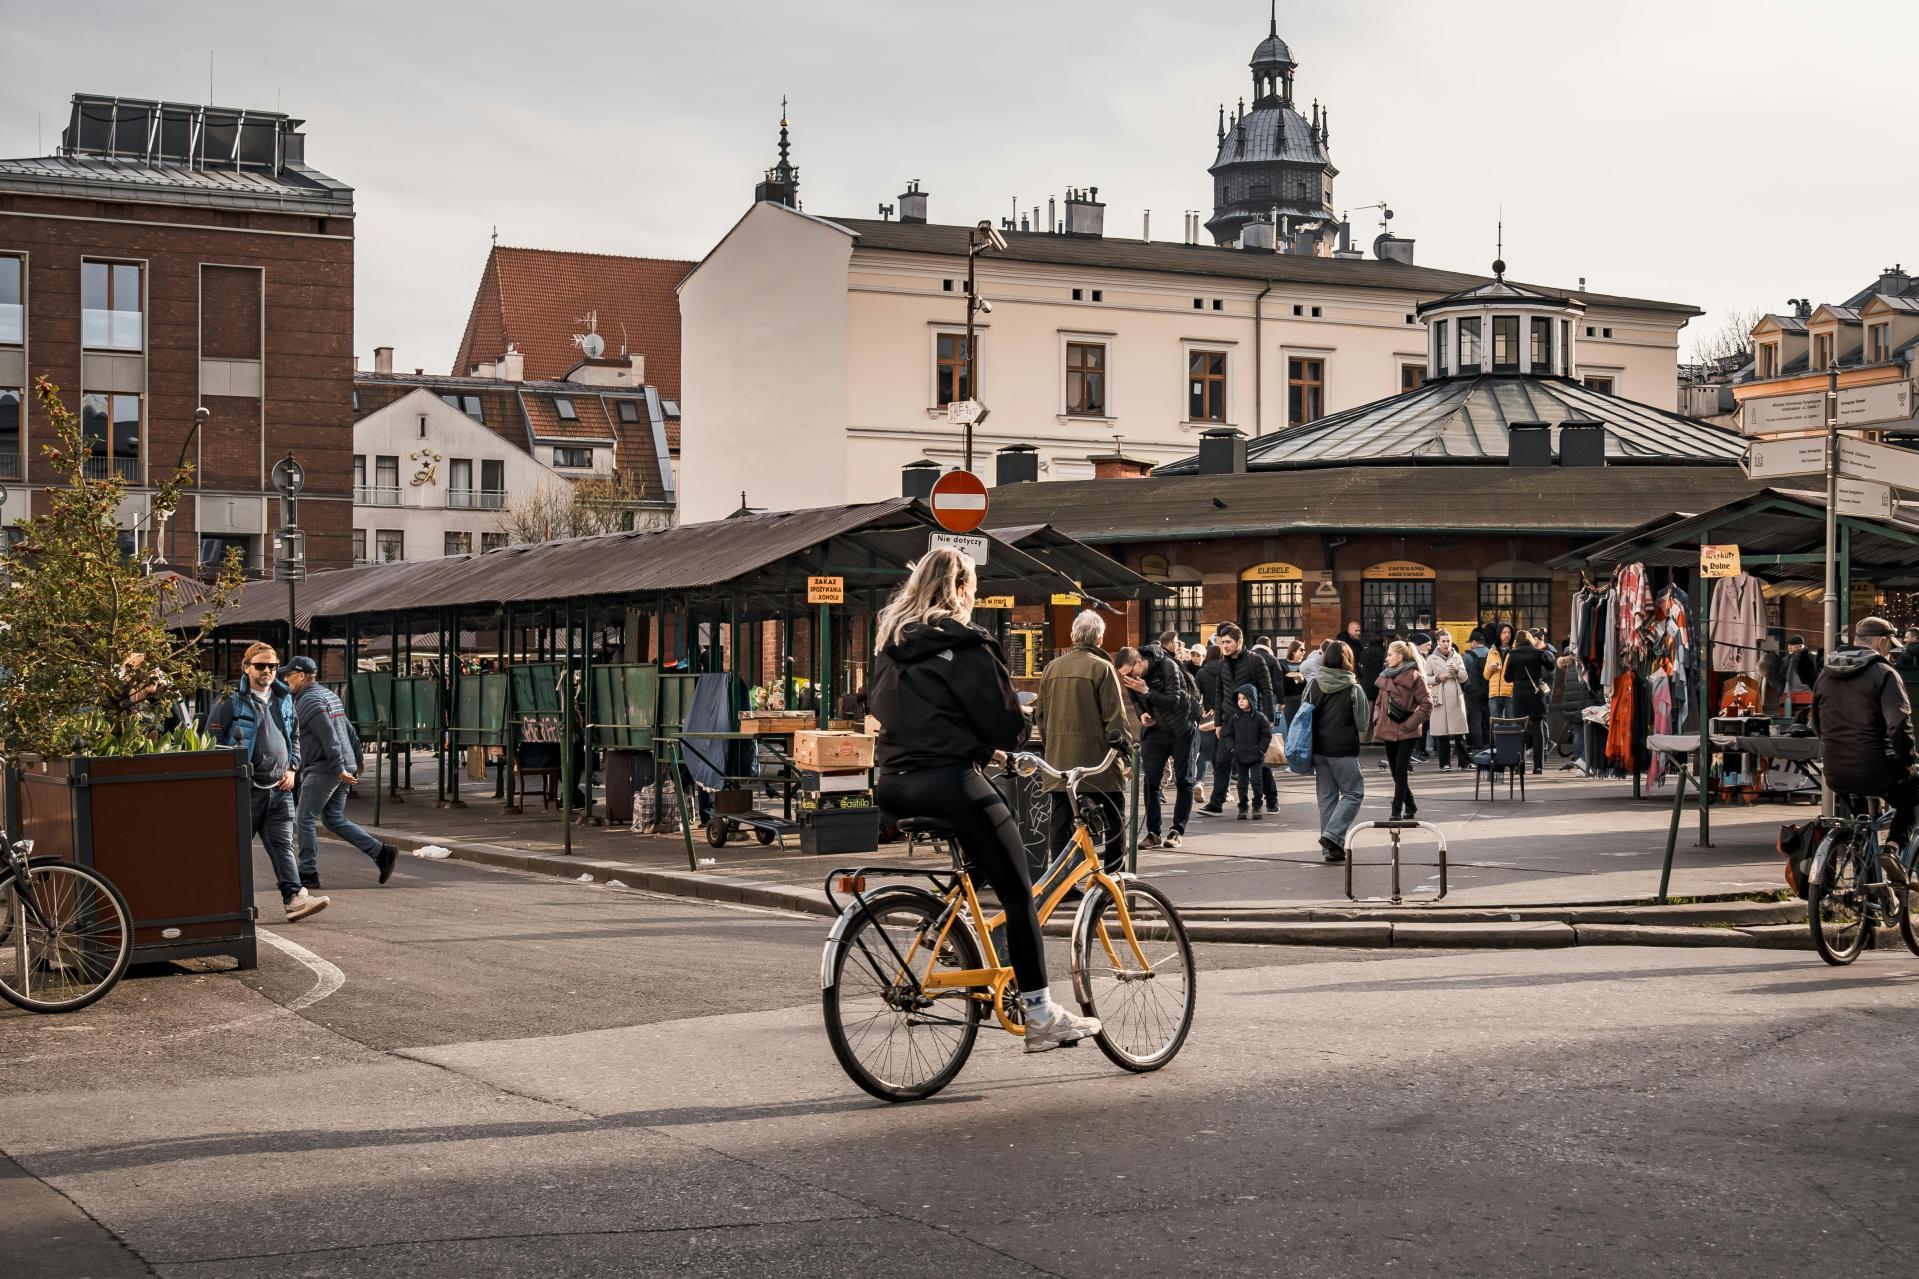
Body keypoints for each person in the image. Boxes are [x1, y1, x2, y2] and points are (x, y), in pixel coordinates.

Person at [867, 547, 1100, 1053]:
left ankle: (956, 931)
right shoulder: (967, 644)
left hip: (893, 782)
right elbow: (1006, 724)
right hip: (947, 782)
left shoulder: (892, 644)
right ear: (961, 590)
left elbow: (910, 716)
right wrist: (1011, 729)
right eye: (973, 587)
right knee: (1019, 893)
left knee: (985, 855)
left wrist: (976, 749)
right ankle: (1039, 1012)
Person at [206, 642, 329, 923]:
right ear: (246, 667)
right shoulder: (229, 700)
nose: (267, 671)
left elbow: (294, 736)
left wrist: (292, 768)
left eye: (272, 666)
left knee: (283, 844)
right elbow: (212, 742)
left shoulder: (283, 697)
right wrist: (232, 774)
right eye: (260, 665)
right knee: (233, 849)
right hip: (245, 789)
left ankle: (294, 898)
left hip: (280, 786)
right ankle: (219, 904)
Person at [283, 656, 398, 890]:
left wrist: (339, 769)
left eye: (289, 675)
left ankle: (308, 873)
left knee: (303, 817)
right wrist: (356, 758)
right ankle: (381, 852)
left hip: (325, 767)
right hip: (342, 764)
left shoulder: (309, 702)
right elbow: (348, 728)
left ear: (302, 676)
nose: (285, 679)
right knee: (332, 818)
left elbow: (329, 737)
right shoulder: (329, 695)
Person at [1035, 610, 1135, 874]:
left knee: (1061, 820)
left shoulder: (1051, 668)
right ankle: (1114, 874)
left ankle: (1059, 879)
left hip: (1060, 762)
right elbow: (1115, 719)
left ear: (1073, 635)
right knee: (1114, 815)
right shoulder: (1102, 668)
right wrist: (1126, 757)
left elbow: (1041, 717)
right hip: (1097, 763)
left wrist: (1053, 748)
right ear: (1099, 639)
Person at [1813, 616, 1918, 858]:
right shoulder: (1884, 672)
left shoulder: (1826, 674)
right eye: (1890, 646)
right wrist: (1908, 760)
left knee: (1862, 826)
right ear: (1881, 642)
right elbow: (1899, 725)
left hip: (1835, 771)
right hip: (1874, 768)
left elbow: (1816, 723)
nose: (1891, 652)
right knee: (1913, 794)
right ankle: (1892, 849)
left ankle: (1865, 876)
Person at [1118, 637, 1196, 850]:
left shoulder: (1167, 665)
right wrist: (1142, 714)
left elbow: (1175, 701)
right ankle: (1153, 833)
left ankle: (1177, 831)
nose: (1129, 678)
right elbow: (1134, 699)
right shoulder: (1131, 676)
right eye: (1124, 675)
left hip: (1182, 729)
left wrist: (1147, 691)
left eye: (1130, 672)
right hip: (1155, 731)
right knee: (1150, 781)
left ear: (1140, 662)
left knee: (1184, 780)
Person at [1198, 624, 1276, 815]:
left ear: (1239, 641)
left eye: (1228, 642)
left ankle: (1271, 800)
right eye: (1222, 642)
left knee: (1259, 764)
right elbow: (1219, 694)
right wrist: (1218, 723)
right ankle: (1216, 803)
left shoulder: (1255, 661)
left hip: (1253, 722)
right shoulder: (1222, 664)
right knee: (1222, 761)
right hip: (1228, 721)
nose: (1224, 645)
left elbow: (1267, 690)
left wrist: (1269, 718)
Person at [1307, 640, 1370, 862]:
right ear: (1348, 660)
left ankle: (1331, 849)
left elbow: (1305, 715)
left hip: (1318, 749)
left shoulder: (1313, 684)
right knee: (1354, 792)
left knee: (1327, 798)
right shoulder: (1353, 687)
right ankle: (1333, 835)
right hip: (1343, 749)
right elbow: (1362, 724)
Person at [1371, 640, 1432, 821]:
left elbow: (1427, 705)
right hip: (1388, 728)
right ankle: (1411, 803)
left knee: (1400, 770)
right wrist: (1377, 719)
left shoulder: (1415, 677)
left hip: (1408, 731)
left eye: (1389, 654)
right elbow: (1379, 702)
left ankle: (1396, 808)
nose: (1386, 658)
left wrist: (1409, 724)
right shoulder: (1386, 676)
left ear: (1400, 656)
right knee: (1394, 771)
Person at [1504, 630, 1554, 775]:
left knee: (1520, 730)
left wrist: (1518, 676)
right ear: (1530, 640)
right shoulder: (1538, 653)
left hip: (1520, 694)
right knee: (1538, 730)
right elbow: (1550, 667)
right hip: (1536, 693)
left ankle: (1520, 766)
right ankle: (1538, 766)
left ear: (1517, 642)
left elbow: (1507, 677)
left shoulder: (1512, 655)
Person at [1223, 684, 1274, 820]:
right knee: (1241, 784)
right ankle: (1243, 806)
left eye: (1244, 698)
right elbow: (1227, 734)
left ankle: (1257, 806)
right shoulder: (1234, 718)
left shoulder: (1260, 717)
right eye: (1239, 698)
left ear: (1251, 699)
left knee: (1256, 781)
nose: (1240, 701)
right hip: (1240, 756)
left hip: (1256, 756)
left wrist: (1261, 749)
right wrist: (1232, 748)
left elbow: (1266, 735)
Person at [1424, 631, 1470, 770]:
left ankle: (1464, 762)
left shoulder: (1457, 656)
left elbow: (1464, 677)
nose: (1446, 643)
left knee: (1459, 732)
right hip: (1440, 696)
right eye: (1443, 641)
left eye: (1448, 641)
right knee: (1442, 732)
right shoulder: (1431, 659)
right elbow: (1426, 679)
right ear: (1438, 642)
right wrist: (1439, 678)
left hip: (1455, 695)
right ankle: (1444, 763)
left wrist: (1456, 670)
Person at [1250, 636, 1285, 811]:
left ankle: (1253, 801)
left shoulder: (1246, 658)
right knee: (1261, 760)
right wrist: (1279, 704)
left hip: (1244, 713)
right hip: (1264, 712)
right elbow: (1277, 684)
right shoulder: (1272, 659)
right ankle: (1271, 800)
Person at [1461, 628, 1492, 751]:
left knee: (1475, 718)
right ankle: (1488, 743)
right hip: (1489, 690)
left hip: (1473, 691)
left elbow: (1464, 674)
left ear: (1474, 642)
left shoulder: (1468, 656)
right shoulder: (1491, 653)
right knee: (1488, 717)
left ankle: (1477, 745)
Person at [1483, 621, 1517, 720]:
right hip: (1494, 694)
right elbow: (1486, 675)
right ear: (1499, 634)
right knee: (1496, 725)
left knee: (1512, 723)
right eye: (1504, 632)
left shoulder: (1515, 650)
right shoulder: (1492, 651)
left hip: (1510, 694)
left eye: (1509, 632)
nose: (1507, 635)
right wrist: (1491, 668)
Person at [1782, 635, 1819, 721]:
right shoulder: (1789, 658)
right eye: (1788, 644)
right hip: (1792, 696)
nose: (1789, 647)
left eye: (1792, 644)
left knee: (1806, 719)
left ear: (1800, 646)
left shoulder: (1810, 657)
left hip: (1807, 695)